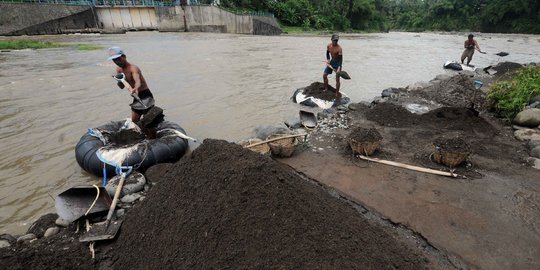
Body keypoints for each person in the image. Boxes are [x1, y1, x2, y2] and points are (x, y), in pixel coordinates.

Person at [107, 46, 155, 123]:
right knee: (134, 120)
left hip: (145, 94)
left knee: (150, 120)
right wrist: (119, 80)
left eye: (118, 59)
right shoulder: (119, 70)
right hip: (135, 95)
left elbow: (137, 81)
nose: (117, 62)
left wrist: (136, 88)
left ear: (124, 57)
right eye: (114, 60)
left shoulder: (133, 68)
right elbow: (121, 87)